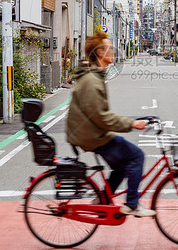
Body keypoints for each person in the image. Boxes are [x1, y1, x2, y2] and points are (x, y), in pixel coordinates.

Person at [66, 31, 156, 217]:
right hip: (92, 135)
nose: (113, 51)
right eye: (109, 47)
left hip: (92, 132)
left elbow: (100, 116)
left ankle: (103, 200)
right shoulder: (92, 80)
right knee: (136, 156)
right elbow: (102, 117)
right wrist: (132, 124)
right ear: (100, 52)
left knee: (121, 166)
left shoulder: (95, 75)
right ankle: (132, 204)